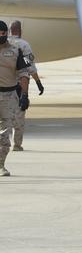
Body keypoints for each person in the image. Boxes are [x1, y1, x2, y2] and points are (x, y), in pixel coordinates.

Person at [0, 20, 32, 177]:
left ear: (8, 32)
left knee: (4, 134)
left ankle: (1, 165)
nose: (1, 36)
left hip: (9, 96)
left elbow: (25, 73)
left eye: (3, 33)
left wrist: (24, 95)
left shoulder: (16, 50)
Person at [5, 21, 42, 154]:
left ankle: (3, 143)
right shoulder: (24, 45)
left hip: (5, 85)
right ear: (20, 31)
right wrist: (38, 82)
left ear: (9, 30)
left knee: (4, 116)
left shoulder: (4, 45)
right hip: (20, 86)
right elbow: (29, 67)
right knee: (19, 117)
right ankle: (17, 144)